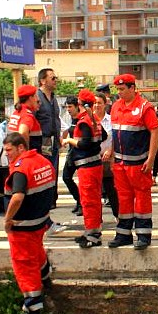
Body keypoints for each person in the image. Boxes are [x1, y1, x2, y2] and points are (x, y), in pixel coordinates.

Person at [2, 132, 57, 314]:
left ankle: (33, 310)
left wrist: (7, 219)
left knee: (24, 264)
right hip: (40, 221)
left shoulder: (20, 169)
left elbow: (17, 197)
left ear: (20, 148)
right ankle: (46, 280)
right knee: (36, 254)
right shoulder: (42, 161)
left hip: (22, 226)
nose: (6, 154)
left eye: (9, 150)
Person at [108, 74, 158, 250]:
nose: (119, 93)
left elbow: (154, 131)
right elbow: (116, 133)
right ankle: (123, 234)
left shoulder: (145, 107)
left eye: (122, 89)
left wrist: (151, 158)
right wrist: (111, 153)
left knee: (142, 198)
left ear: (132, 88)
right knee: (123, 199)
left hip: (139, 163)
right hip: (120, 163)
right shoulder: (116, 107)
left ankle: (144, 235)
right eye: (118, 90)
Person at [64, 89, 106, 248]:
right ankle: (94, 232)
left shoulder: (84, 122)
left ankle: (91, 234)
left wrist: (69, 141)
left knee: (88, 201)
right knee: (94, 200)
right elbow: (104, 137)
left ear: (80, 104)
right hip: (95, 164)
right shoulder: (94, 119)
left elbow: (84, 143)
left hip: (87, 167)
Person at [95, 92, 119, 218]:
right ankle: (97, 220)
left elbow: (116, 137)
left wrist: (110, 150)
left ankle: (118, 217)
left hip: (108, 161)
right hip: (93, 160)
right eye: (95, 103)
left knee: (112, 191)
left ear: (105, 104)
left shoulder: (111, 120)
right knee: (95, 194)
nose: (96, 105)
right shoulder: (89, 120)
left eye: (99, 103)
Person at [60, 95, 82, 215]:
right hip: (72, 154)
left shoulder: (81, 119)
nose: (68, 109)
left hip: (81, 155)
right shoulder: (71, 120)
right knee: (66, 177)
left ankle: (82, 204)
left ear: (77, 107)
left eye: (70, 107)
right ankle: (79, 201)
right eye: (67, 107)